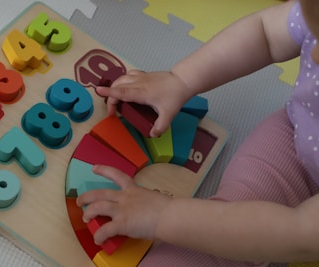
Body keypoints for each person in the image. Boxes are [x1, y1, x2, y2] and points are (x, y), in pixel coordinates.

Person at [76, 0, 319, 266]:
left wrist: (162, 216)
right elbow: (265, 32)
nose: (314, 55)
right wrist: (181, 79)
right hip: (300, 132)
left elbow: (296, 234)